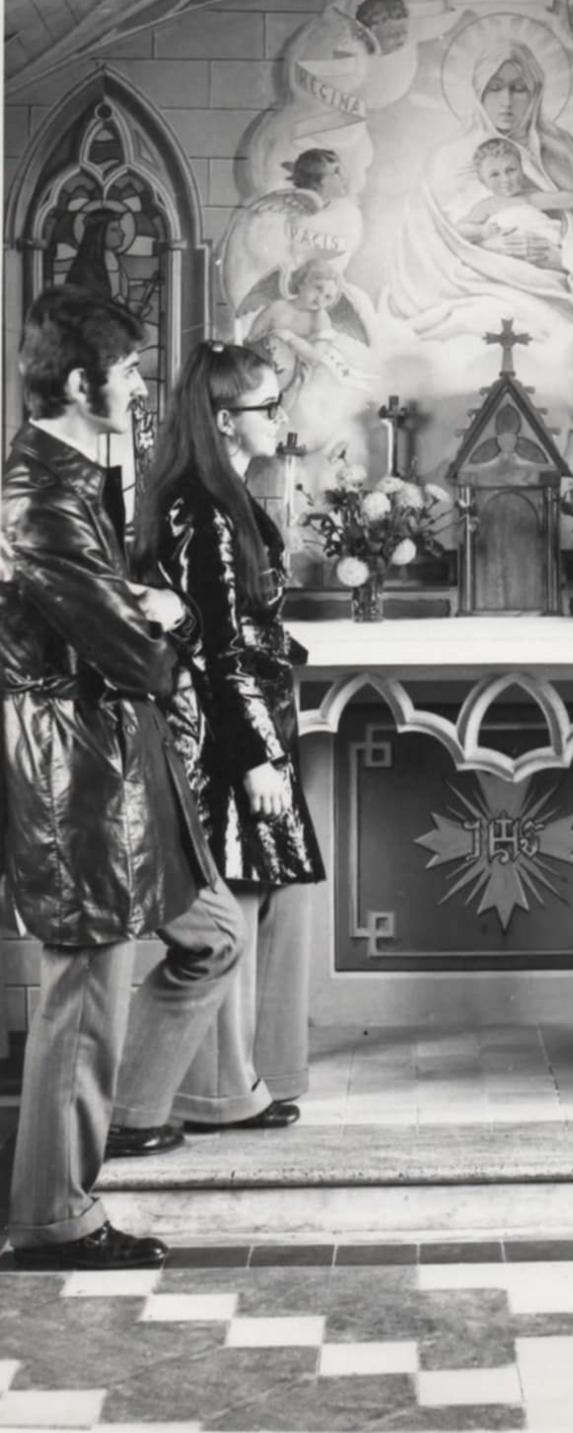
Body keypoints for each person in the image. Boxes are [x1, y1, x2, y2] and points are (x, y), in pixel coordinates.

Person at [0, 286, 247, 1269]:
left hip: (121, 766)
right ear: (76, 381)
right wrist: (168, 620)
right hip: (78, 777)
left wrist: (146, 605)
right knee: (81, 994)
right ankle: (54, 1216)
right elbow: (134, 652)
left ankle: (127, 1119)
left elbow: (121, 609)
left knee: (213, 937)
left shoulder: (73, 475)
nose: (142, 388)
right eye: (128, 372)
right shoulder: (37, 495)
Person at [112, 340, 325, 1135]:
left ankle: (231, 1083)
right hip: (224, 732)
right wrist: (256, 756)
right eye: (267, 406)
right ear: (226, 420)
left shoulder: (214, 492)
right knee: (239, 892)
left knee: (267, 889)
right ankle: (208, 1092)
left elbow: (231, 628)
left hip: (239, 718)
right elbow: (220, 646)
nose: (280, 418)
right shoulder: (202, 506)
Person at [389, 40, 573, 336]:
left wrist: (561, 258)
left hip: (554, 282)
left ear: (535, 92)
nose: (507, 101)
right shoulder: (446, 158)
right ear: (479, 92)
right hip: (469, 286)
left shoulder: (569, 155)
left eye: (519, 88)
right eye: (495, 87)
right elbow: (427, 247)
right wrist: (489, 248)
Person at [455, 137, 573, 252]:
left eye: (511, 170)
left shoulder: (530, 198)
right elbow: (460, 229)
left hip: (541, 251)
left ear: (522, 171)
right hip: (508, 255)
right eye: (495, 175)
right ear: (483, 181)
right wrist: (482, 232)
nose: (505, 179)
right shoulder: (488, 206)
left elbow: (558, 199)